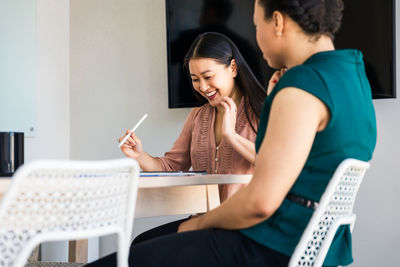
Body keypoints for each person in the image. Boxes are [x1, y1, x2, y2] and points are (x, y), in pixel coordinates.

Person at [89, 0, 377, 265]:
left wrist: (197, 224)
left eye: (256, 25)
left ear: (277, 21)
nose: (255, 37)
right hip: (313, 246)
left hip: (269, 242)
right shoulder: (352, 76)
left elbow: (260, 203)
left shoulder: (302, 86)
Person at [86, 32, 267, 266]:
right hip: (202, 222)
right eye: (195, 79)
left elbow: (275, 164)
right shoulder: (197, 116)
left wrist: (231, 135)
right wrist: (139, 155)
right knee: (140, 243)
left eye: (208, 76)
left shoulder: (263, 112)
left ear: (232, 68)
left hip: (239, 226)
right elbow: (171, 166)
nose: (202, 87)